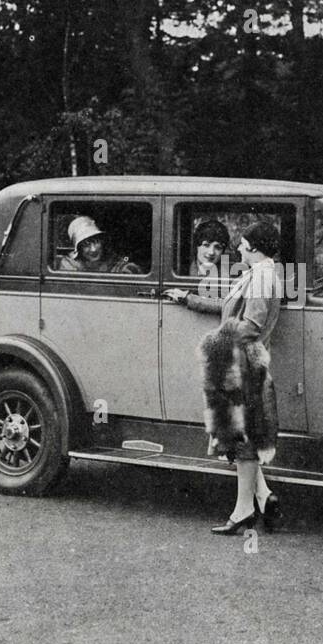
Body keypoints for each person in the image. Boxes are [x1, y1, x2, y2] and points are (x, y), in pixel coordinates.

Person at [164, 221, 283, 535]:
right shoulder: (259, 274)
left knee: (242, 440)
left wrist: (218, 340)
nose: (239, 247)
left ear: (254, 248)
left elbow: (251, 326)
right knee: (243, 438)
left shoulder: (261, 278)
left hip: (242, 364)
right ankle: (263, 496)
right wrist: (189, 299)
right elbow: (229, 308)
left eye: (244, 243)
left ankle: (244, 511)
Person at [56, 216, 142, 274]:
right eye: (86, 245)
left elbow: (122, 265)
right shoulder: (69, 264)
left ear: (102, 241)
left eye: (96, 242)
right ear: (79, 248)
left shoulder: (111, 259)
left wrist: (129, 269)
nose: (93, 249)